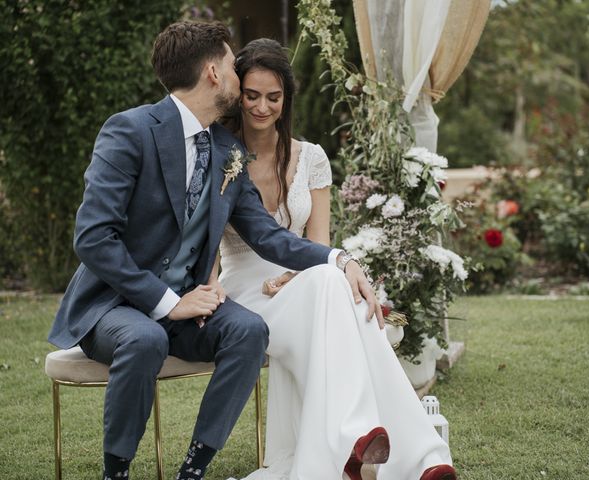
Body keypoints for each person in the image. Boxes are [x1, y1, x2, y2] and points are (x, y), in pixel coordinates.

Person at [48, 22, 379, 480]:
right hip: (114, 305)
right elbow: (93, 238)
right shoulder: (129, 130)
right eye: (230, 64)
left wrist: (339, 259)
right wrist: (169, 302)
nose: (237, 76)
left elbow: (266, 234)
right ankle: (116, 471)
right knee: (146, 339)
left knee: (248, 331)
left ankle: (193, 470)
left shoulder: (226, 149)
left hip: (191, 304)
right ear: (212, 73)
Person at [216, 39, 456, 480]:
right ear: (238, 94)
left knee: (337, 288)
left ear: (286, 99)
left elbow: (319, 244)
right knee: (338, 292)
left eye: (273, 97)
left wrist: (308, 273)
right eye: (252, 95)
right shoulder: (218, 155)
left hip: (303, 276)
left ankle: (382, 451)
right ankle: (413, 454)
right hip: (247, 290)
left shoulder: (311, 158)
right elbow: (207, 244)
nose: (262, 107)